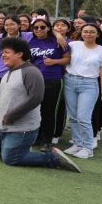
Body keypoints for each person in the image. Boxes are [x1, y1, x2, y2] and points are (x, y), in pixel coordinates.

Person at [0, 37, 81, 172]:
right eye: (2, 52)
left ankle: (53, 158)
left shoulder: (31, 72)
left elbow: (36, 97)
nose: (2, 55)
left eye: (6, 52)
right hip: (0, 124)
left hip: (22, 127)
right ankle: (14, 145)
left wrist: (12, 115)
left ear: (20, 54)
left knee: (10, 159)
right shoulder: (8, 72)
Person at [63, 24, 102, 159]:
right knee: (73, 117)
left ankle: (88, 147)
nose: (88, 34)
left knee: (83, 117)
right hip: (70, 81)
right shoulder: (73, 45)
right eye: (85, 32)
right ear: (81, 33)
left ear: (98, 34)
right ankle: (77, 144)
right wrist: (57, 34)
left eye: (92, 32)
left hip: (89, 84)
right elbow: (59, 40)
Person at [28, 16, 70, 149]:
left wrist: (55, 62)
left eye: (42, 27)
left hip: (52, 79)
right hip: (35, 81)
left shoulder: (57, 41)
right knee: (35, 110)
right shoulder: (31, 42)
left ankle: (46, 140)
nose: (39, 30)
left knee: (49, 111)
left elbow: (67, 59)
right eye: (36, 27)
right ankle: (36, 137)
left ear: (48, 28)